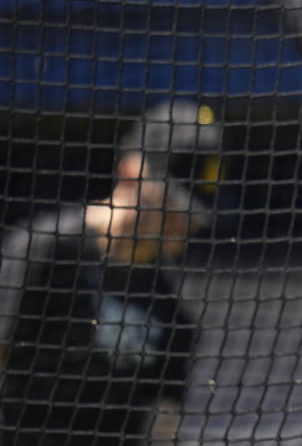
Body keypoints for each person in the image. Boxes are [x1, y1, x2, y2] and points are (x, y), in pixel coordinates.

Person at [0, 100, 223, 445]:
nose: (187, 222)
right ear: (132, 172)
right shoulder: (42, 251)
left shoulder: (174, 314)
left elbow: (163, 423)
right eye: (173, 202)